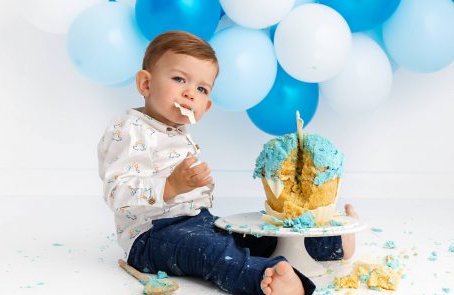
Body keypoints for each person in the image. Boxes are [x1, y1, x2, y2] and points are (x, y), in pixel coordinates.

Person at [98, 30, 357, 295]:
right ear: (145, 84)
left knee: (256, 236)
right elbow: (116, 192)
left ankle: (331, 244)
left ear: (206, 106)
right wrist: (171, 186)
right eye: (179, 79)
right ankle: (264, 279)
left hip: (197, 221)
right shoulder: (129, 129)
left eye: (201, 89)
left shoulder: (175, 130)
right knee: (213, 251)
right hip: (150, 237)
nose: (190, 94)